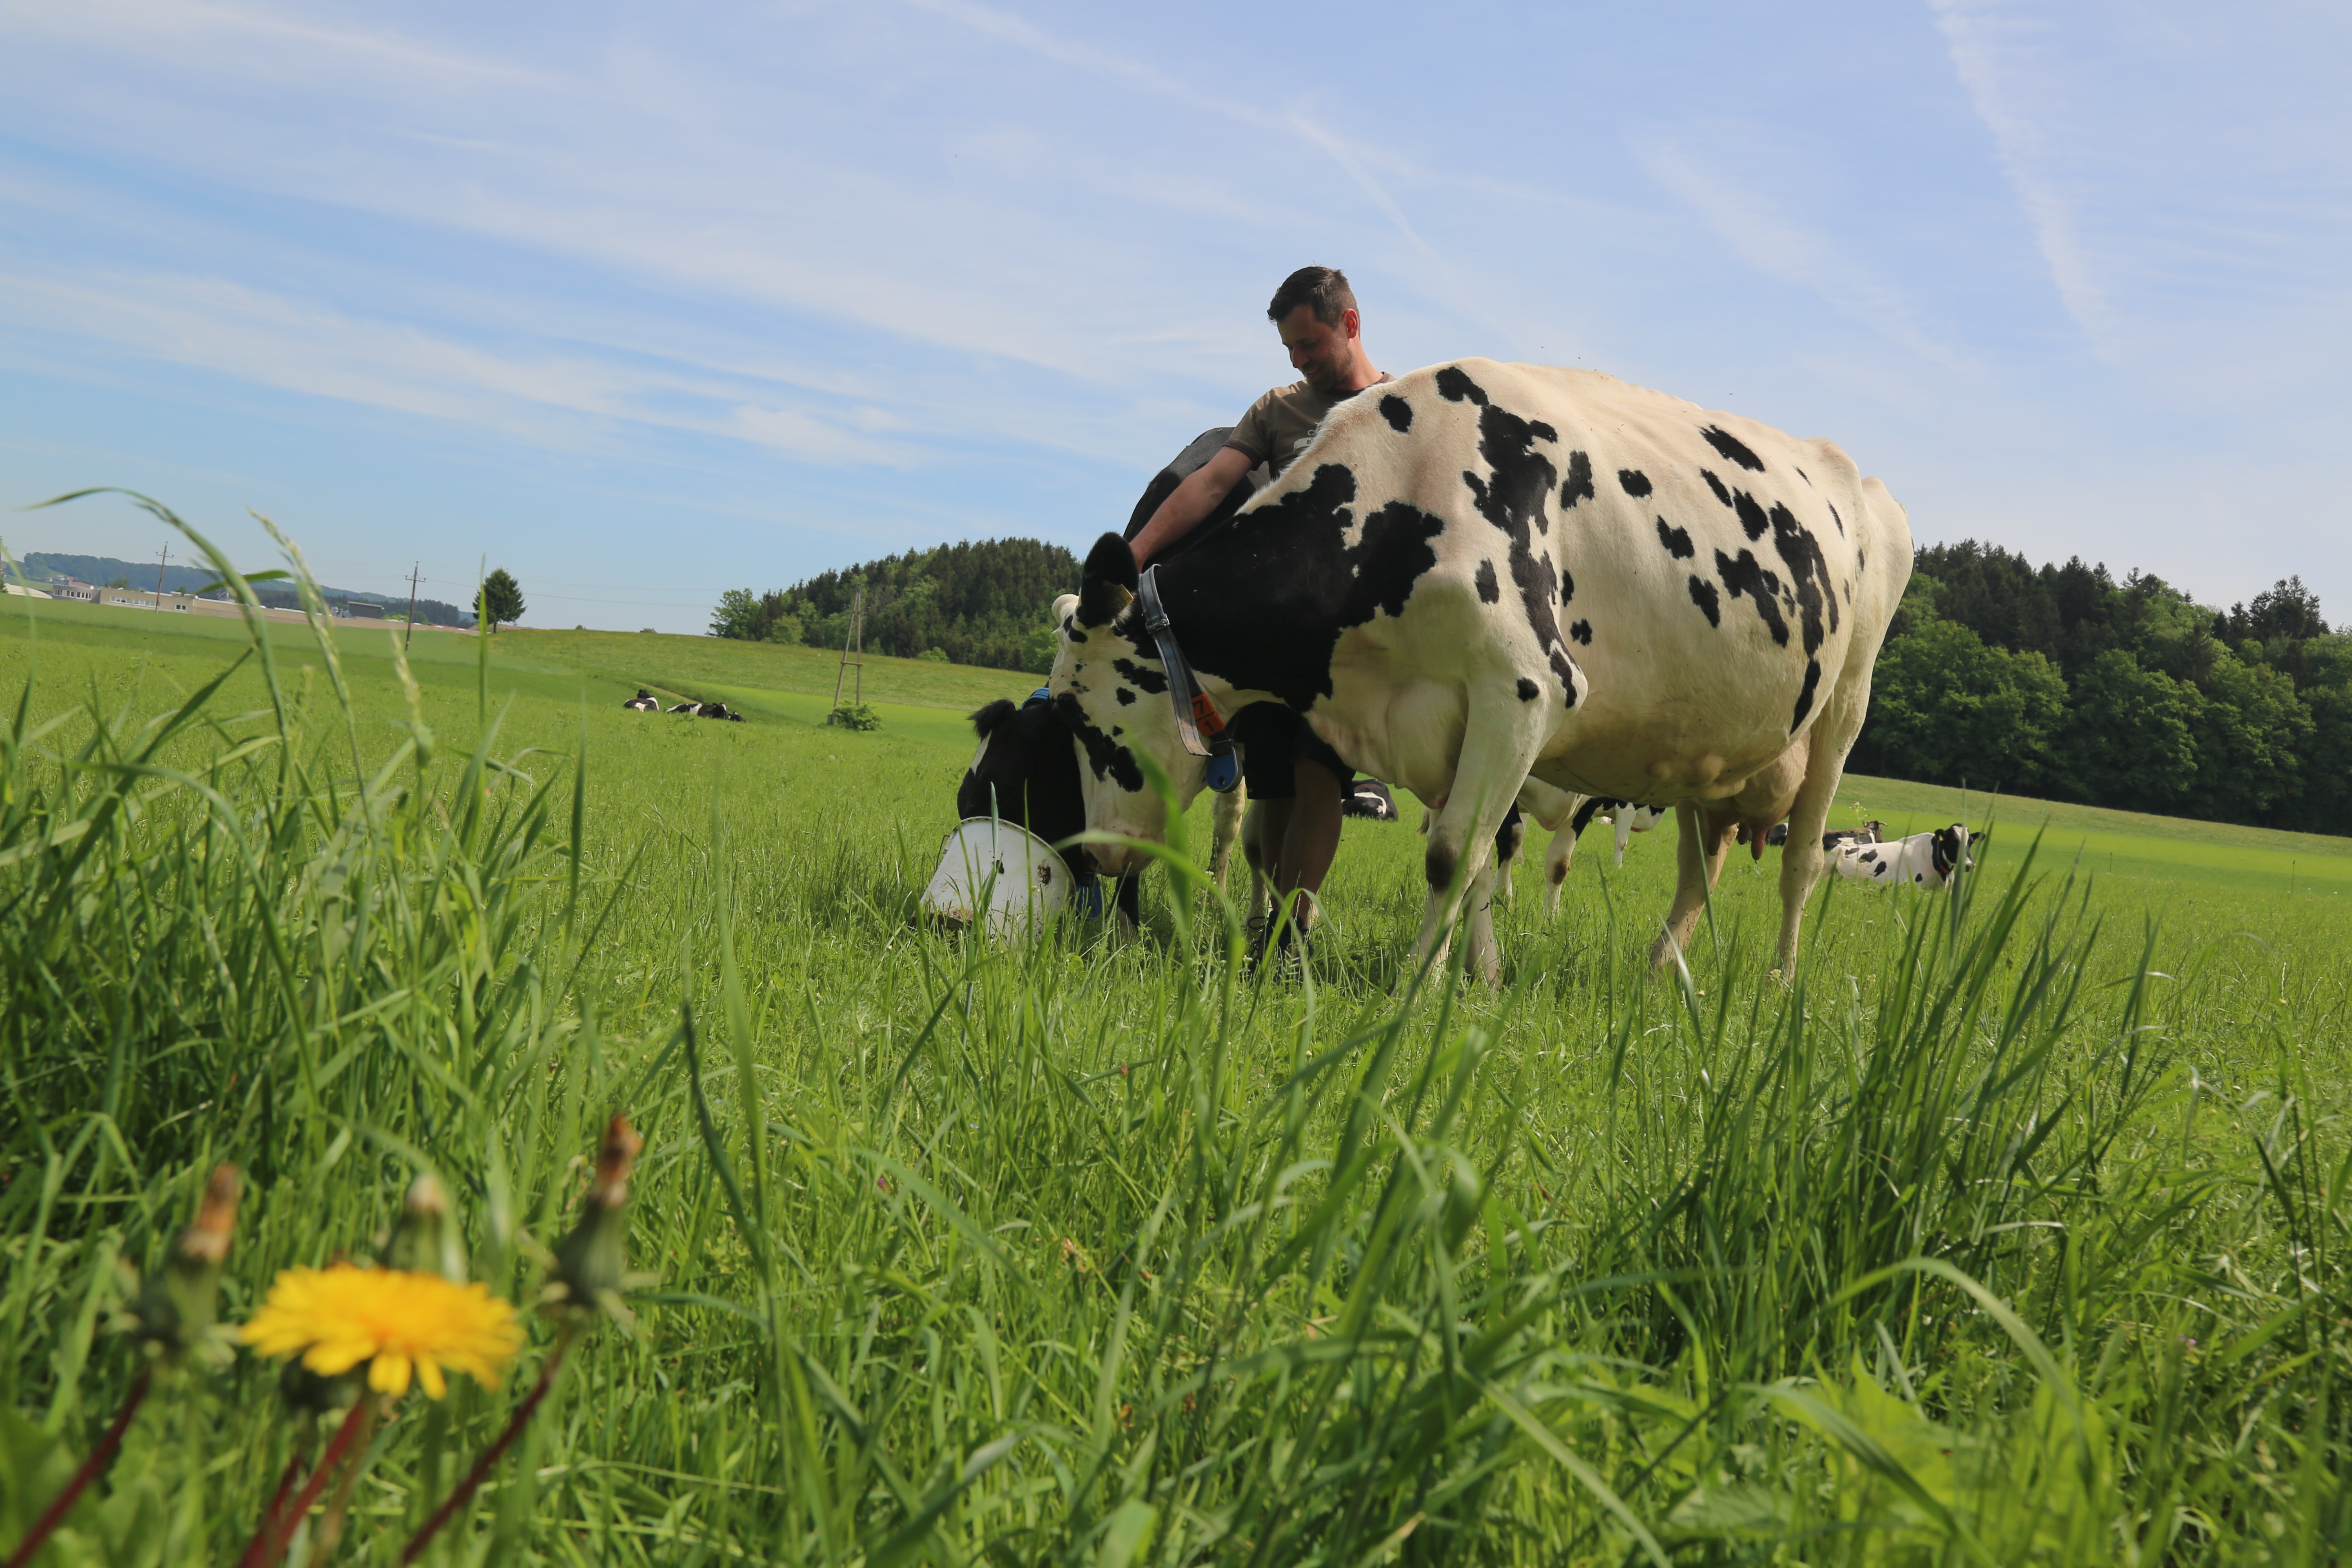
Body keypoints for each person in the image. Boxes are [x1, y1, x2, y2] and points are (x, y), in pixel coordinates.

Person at [1129, 265, 1390, 951]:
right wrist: (1136, 556)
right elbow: (1212, 484)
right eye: (1290, 351)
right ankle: (1265, 918)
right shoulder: (1279, 408)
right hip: (1274, 637)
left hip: (1351, 645)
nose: (1300, 362)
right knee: (1272, 786)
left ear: (1351, 325)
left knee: (1318, 778)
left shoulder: (1402, 411)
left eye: (1310, 345)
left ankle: (1292, 930)